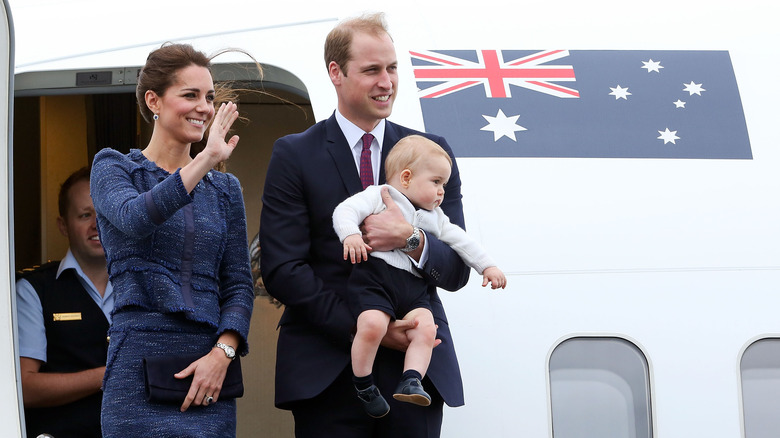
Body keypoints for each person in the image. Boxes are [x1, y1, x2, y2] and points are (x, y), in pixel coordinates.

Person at [260, 13, 470, 438]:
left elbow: (457, 269)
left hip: (415, 371)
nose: (387, 82)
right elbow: (283, 269)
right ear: (335, 72)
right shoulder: (294, 154)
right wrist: (364, 328)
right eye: (372, 70)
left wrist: (410, 239)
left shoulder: (432, 153)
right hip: (327, 368)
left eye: (392, 68)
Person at [89, 43, 255, 437]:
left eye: (210, 97)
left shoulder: (225, 189)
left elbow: (238, 285)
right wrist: (204, 160)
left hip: (210, 372)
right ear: (154, 101)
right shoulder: (114, 166)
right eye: (190, 95)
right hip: (136, 366)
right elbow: (136, 217)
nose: (204, 107)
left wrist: (223, 353)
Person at [333, 134, 507, 417]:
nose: (442, 192)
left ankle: (411, 379)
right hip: (376, 280)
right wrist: (351, 234)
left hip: (413, 287)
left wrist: (487, 266)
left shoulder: (436, 217)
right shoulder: (381, 195)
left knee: (427, 329)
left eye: (444, 185)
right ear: (406, 177)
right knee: (373, 324)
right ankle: (364, 384)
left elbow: (462, 242)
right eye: (436, 182)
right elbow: (346, 210)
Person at [16, 166, 114, 438]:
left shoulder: (140, 286)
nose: (97, 224)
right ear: (63, 226)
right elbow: (23, 387)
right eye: (85, 215)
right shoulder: (34, 290)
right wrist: (108, 375)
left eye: (104, 214)